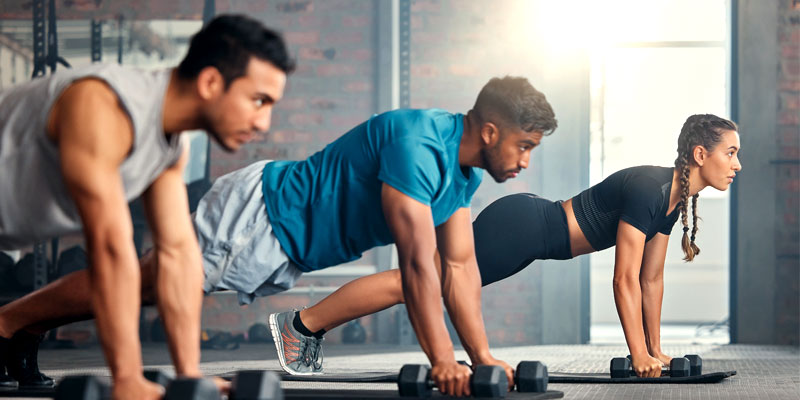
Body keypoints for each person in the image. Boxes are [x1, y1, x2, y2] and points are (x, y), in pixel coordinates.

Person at [0, 76, 558, 397]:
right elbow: (415, 266)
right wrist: (442, 359)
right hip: (261, 217)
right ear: (490, 131)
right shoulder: (420, 146)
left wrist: (482, 356)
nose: (526, 161)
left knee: (139, 285)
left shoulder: (459, 177)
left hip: (280, 236)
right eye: (524, 146)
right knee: (143, 283)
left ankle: (20, 327)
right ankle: (10, 321)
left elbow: (456, 269)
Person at [291, 113, 741, 379]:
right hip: (524, 227)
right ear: (701, 155)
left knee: (421, 281)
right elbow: (623, 278)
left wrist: (655, 351)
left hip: (532, 232)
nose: (737, 164)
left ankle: (305, 327)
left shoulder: (673, 198)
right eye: (731, 153)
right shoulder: (650, 188)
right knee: (416, 283)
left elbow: (651, 278)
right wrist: (637, 354)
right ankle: (301, 326)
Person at [0, 15, 292, 399]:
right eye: (259, 101)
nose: (264, 123)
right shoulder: (101, 105)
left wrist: (190, 377)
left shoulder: (170, 144)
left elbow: (177, 254)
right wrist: (127, 379)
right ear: (210, 83)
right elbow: (110, 247)